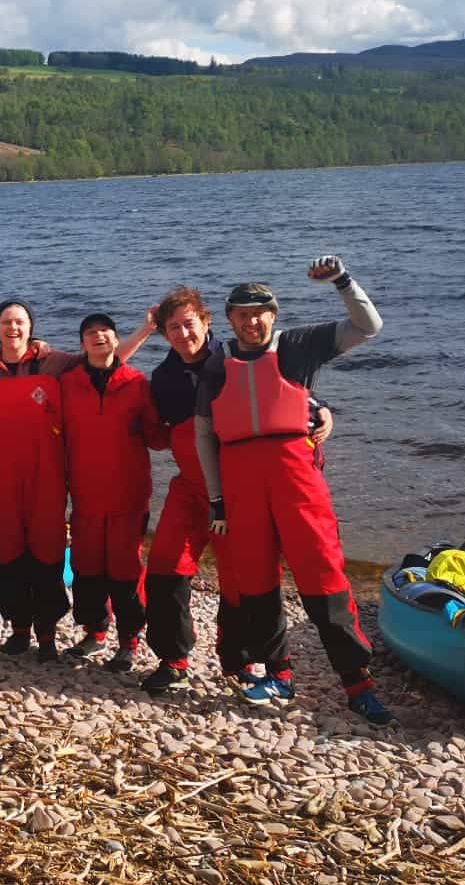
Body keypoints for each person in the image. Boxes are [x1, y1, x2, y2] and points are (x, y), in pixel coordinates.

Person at [195, 257, 396, 726]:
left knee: (323, 577)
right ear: (229, 319)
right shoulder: (216, 364)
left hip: (296, 478)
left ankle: (358, 683)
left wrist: (343, 282)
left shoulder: (300, 345)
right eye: (242, 314)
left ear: (274, 314)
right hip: (242, 484)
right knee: (257, 584)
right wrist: (217, 497)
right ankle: (278, 675)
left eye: (260, 312)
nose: (252, 321)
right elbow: (205, 433)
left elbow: (369, 326)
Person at [140, 287, 333, 695]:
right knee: (162, 569)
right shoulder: (163, 377)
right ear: (163, 333)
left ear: (206, 322)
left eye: (189, 324)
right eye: (172, 327)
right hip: (190, 489)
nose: (182, 334)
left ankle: (240, 660)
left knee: (242, 580)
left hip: (238, 491)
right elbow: (159, 433)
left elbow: (284, 385)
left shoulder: (229, 358)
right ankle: (173, 659)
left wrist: (320, 409)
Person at [0, 300, 151, 661]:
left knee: (47, 555)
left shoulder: (54, 363)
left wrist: (145, 331)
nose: (13, 328)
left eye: (20, 321)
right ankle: (19, 629)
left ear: (30, 327)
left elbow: (106, 361)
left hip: (46, 478)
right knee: (5, 556)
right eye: (6, 322)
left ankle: (48, 634)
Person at [59, 312, 160, 674]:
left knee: (125, 571)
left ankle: (129, 641)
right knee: (86, 569)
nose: (98, 336)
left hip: (128, 496)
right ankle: (94, 632)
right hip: (85, 496)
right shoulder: (68, 384)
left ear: (117, 340)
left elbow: (159, 437)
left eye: (105, 331)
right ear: (82, 343)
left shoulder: (136, 384)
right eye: (90, 333)